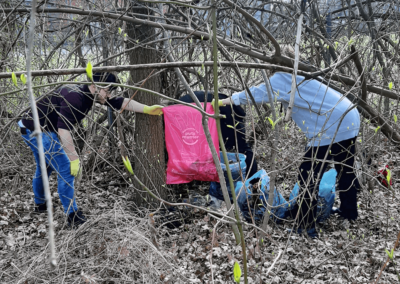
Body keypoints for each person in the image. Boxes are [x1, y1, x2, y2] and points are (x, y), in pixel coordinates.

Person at [213, 72, 360, 238]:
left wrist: (223, 101)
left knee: (307, 175)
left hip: (330, 127)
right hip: (350, 116)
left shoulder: (283, 78)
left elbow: (255, 94)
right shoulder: (305, 74)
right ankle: (349, 212)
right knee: (344, 169)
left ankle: (305, 227)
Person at [19, 72, 163, 227]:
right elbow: (63, 130)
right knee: (66, 168)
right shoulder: (76, 98)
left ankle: (40, 205)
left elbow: (120, 102)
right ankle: (73, 216)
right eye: (107, 91)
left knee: (45, 167)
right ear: (95, 86)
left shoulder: (92, 94)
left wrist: (147, 109)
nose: (109, 95)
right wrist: (74, 159)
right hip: (35, 129)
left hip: (39, 126)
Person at [179, 91, 258, 209]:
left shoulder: (177, 110)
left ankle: (254, 184)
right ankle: (254, 184)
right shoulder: (183, 103)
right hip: (227, 105)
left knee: (241, 149)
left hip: (223, 111)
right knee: (241, 147)